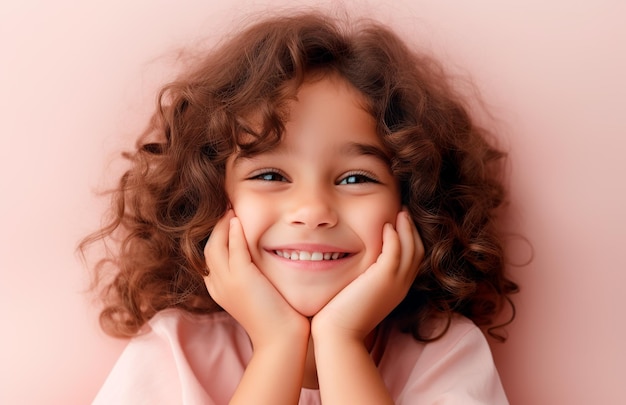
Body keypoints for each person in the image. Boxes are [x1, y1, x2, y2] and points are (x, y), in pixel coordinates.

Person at [83, 10, 519, 404]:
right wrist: (277, 346)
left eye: (355, 178)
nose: (312, 211)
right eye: (271, 176)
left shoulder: (445, 353)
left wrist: (341, 342)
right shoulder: (173, 352)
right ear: (212, 200)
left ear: (414, 204)